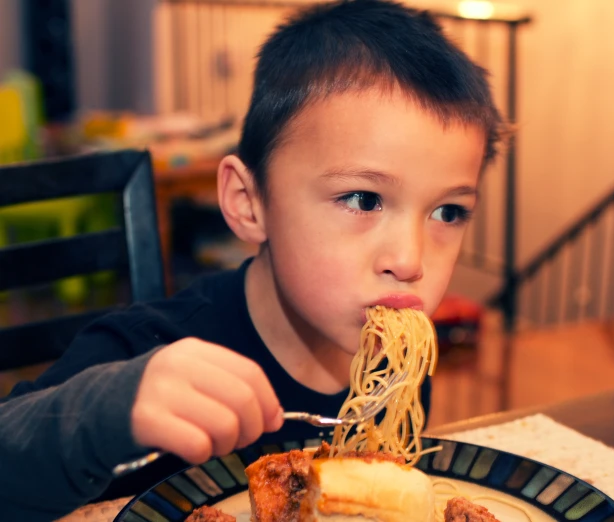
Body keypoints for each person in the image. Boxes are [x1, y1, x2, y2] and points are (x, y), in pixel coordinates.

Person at [0, 0, 504, 519]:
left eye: (447, 211)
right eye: (362, 199)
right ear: (248, 202)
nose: (410, 258)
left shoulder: (394, 370)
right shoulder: (145, 352)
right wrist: (108, 410)